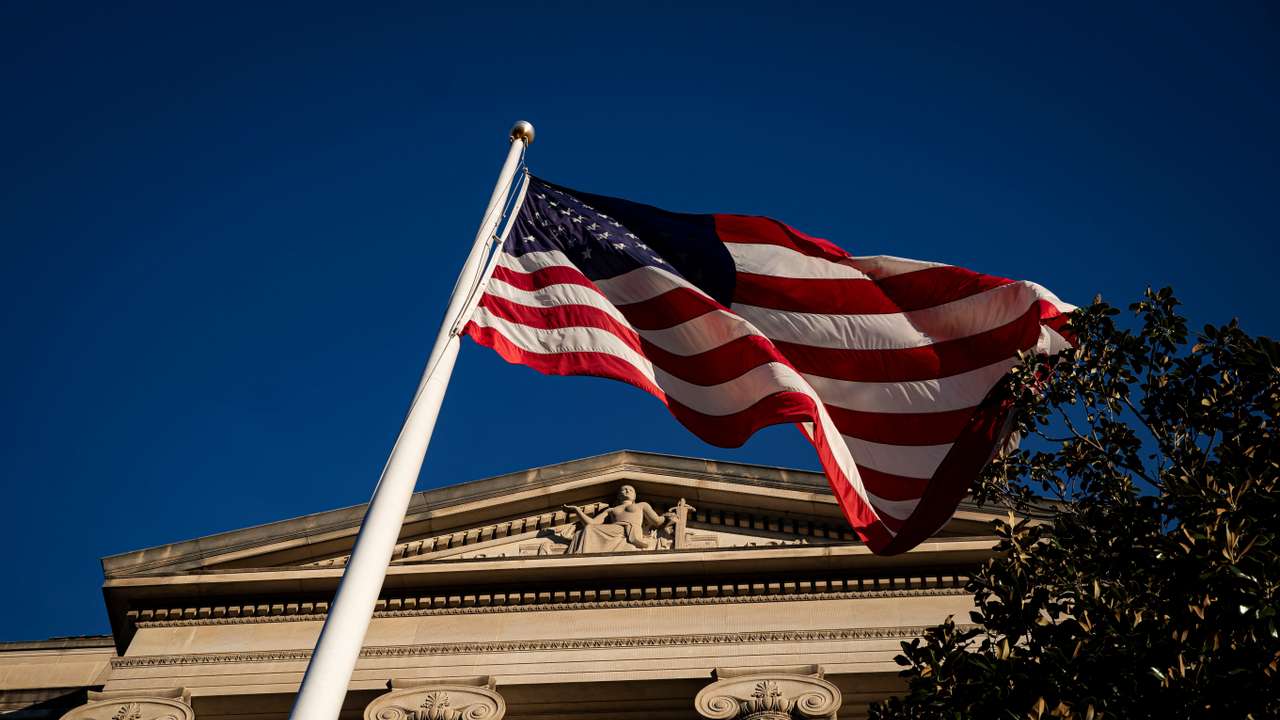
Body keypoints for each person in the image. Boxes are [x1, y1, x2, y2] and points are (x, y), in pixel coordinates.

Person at [562, 485, 676, 553]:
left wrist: (667, 517)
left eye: (630, 490)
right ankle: (584, 554)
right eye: (624, 489)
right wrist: (577, 510)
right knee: (588, 529)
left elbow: (657, 521)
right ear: (619, 495)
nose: (627, 491)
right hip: (614, 529)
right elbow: (592, 523)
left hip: (630, 530)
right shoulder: (611, 510)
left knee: (589, 529)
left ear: (635, 496)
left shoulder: (642, 505)